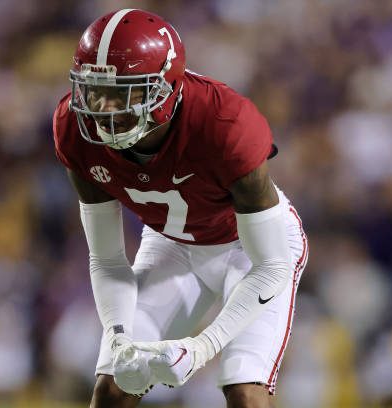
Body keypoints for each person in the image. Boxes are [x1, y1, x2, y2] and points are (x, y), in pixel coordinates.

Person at [52, 8, 308, 408]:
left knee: (244, 388)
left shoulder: (224, 123)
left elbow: (271, 265)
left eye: (123, 92)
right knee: (114, 384)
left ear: (164, 89)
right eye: (95, 91)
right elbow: (107, 259)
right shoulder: (73, 128)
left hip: (251, 251)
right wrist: (119, 337)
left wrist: (202, 348)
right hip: (172, 243)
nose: (103, 109)